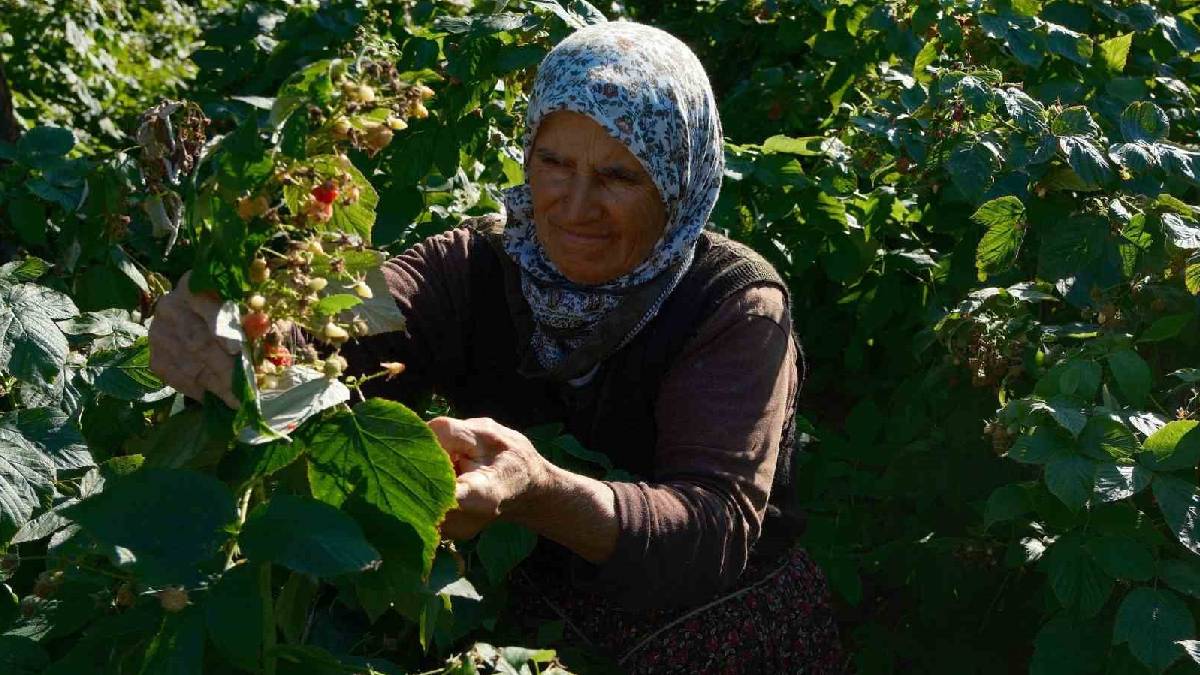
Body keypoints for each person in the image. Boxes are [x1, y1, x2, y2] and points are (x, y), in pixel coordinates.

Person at [149, 21, 842, 673]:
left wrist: (539, 490)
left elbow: (711, 531)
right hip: (516, 591)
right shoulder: (475, 261)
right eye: (553, 162)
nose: (573, 207)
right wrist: (236, 326)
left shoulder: (732, 303)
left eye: (619, 176)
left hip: (703, 612)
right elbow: (340, 332)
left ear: (680, 180)